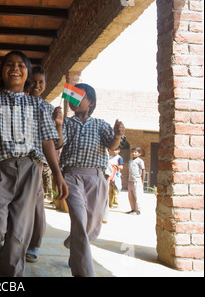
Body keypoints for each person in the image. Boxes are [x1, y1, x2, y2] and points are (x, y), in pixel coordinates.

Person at [0, 51, 69, 277]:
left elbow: (48, 140)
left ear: (27, 73)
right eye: (10, 64)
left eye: (21, 65)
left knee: (19, 232)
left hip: (29, 170)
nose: (15, 68)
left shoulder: (38, 105)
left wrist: (57, 174)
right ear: (2, 71)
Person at [53, 83, 126, 277]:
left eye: (79, 96)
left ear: (91, 101)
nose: (73, 100)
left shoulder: (100, 124)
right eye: (71, 96)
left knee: (93, 225)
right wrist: (59, 125)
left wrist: (117, 135)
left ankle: (75, 245)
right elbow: (59, 143)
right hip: (71, 176)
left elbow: (111, 145)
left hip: (97, 178)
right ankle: (85, 272)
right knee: (79, 218)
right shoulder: (67, 123)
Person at [25, 65, 51, 263]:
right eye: (34, 81)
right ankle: (14, 239)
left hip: (35, 163)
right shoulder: (19, 102)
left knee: (35, 204)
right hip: (15, 158)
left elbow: (55, 140)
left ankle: (34, 244)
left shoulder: (48, 109)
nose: (37, 85)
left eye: (41, 82)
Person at [127, 146, 145, 215]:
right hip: (130, 180)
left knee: (137, 195)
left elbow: (143, 170)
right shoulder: (130, 161)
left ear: (139, 153)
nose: (134, 153)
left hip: (137, 180)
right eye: (132, 152)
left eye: (135, 152)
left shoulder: (140, 161)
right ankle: (133, 209)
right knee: (131, 196)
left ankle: (138, 210)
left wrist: (142, 181)